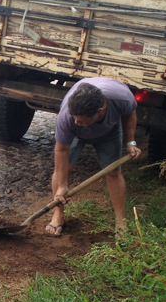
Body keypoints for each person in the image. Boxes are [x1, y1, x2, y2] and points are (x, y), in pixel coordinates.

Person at [46, 77, 142, 237]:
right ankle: (58, 214)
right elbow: (61, 150)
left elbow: (130, 113)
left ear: (100, 111)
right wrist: (62, 186)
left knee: (113, 172)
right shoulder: (68, 117)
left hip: (109, 132)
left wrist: (130, 142)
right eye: (74, 117)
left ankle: (121, 222)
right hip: (76, 135)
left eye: (81, 119)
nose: (76, 121)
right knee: (63, 169)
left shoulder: (121, 98)